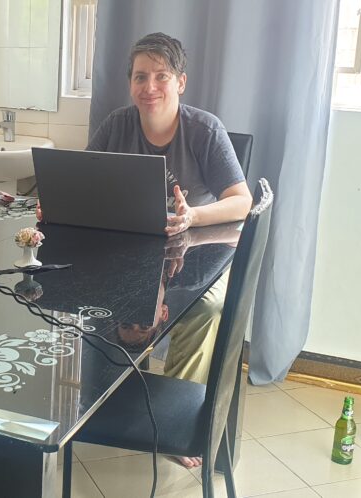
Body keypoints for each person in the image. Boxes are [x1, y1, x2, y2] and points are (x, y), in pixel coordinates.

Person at [77, 32, 252, 469]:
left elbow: (242, 200)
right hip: (128, 255)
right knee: (79, 294)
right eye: (140, 77)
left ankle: (173, 411)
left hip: (196, 255)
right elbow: (83, 179)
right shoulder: (117, 124)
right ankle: (104, 395)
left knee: (208, 308)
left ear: (181, 82)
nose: (149, 87)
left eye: (161, 76)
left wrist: (193, 216)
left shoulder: (204, 129)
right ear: (130, 83)